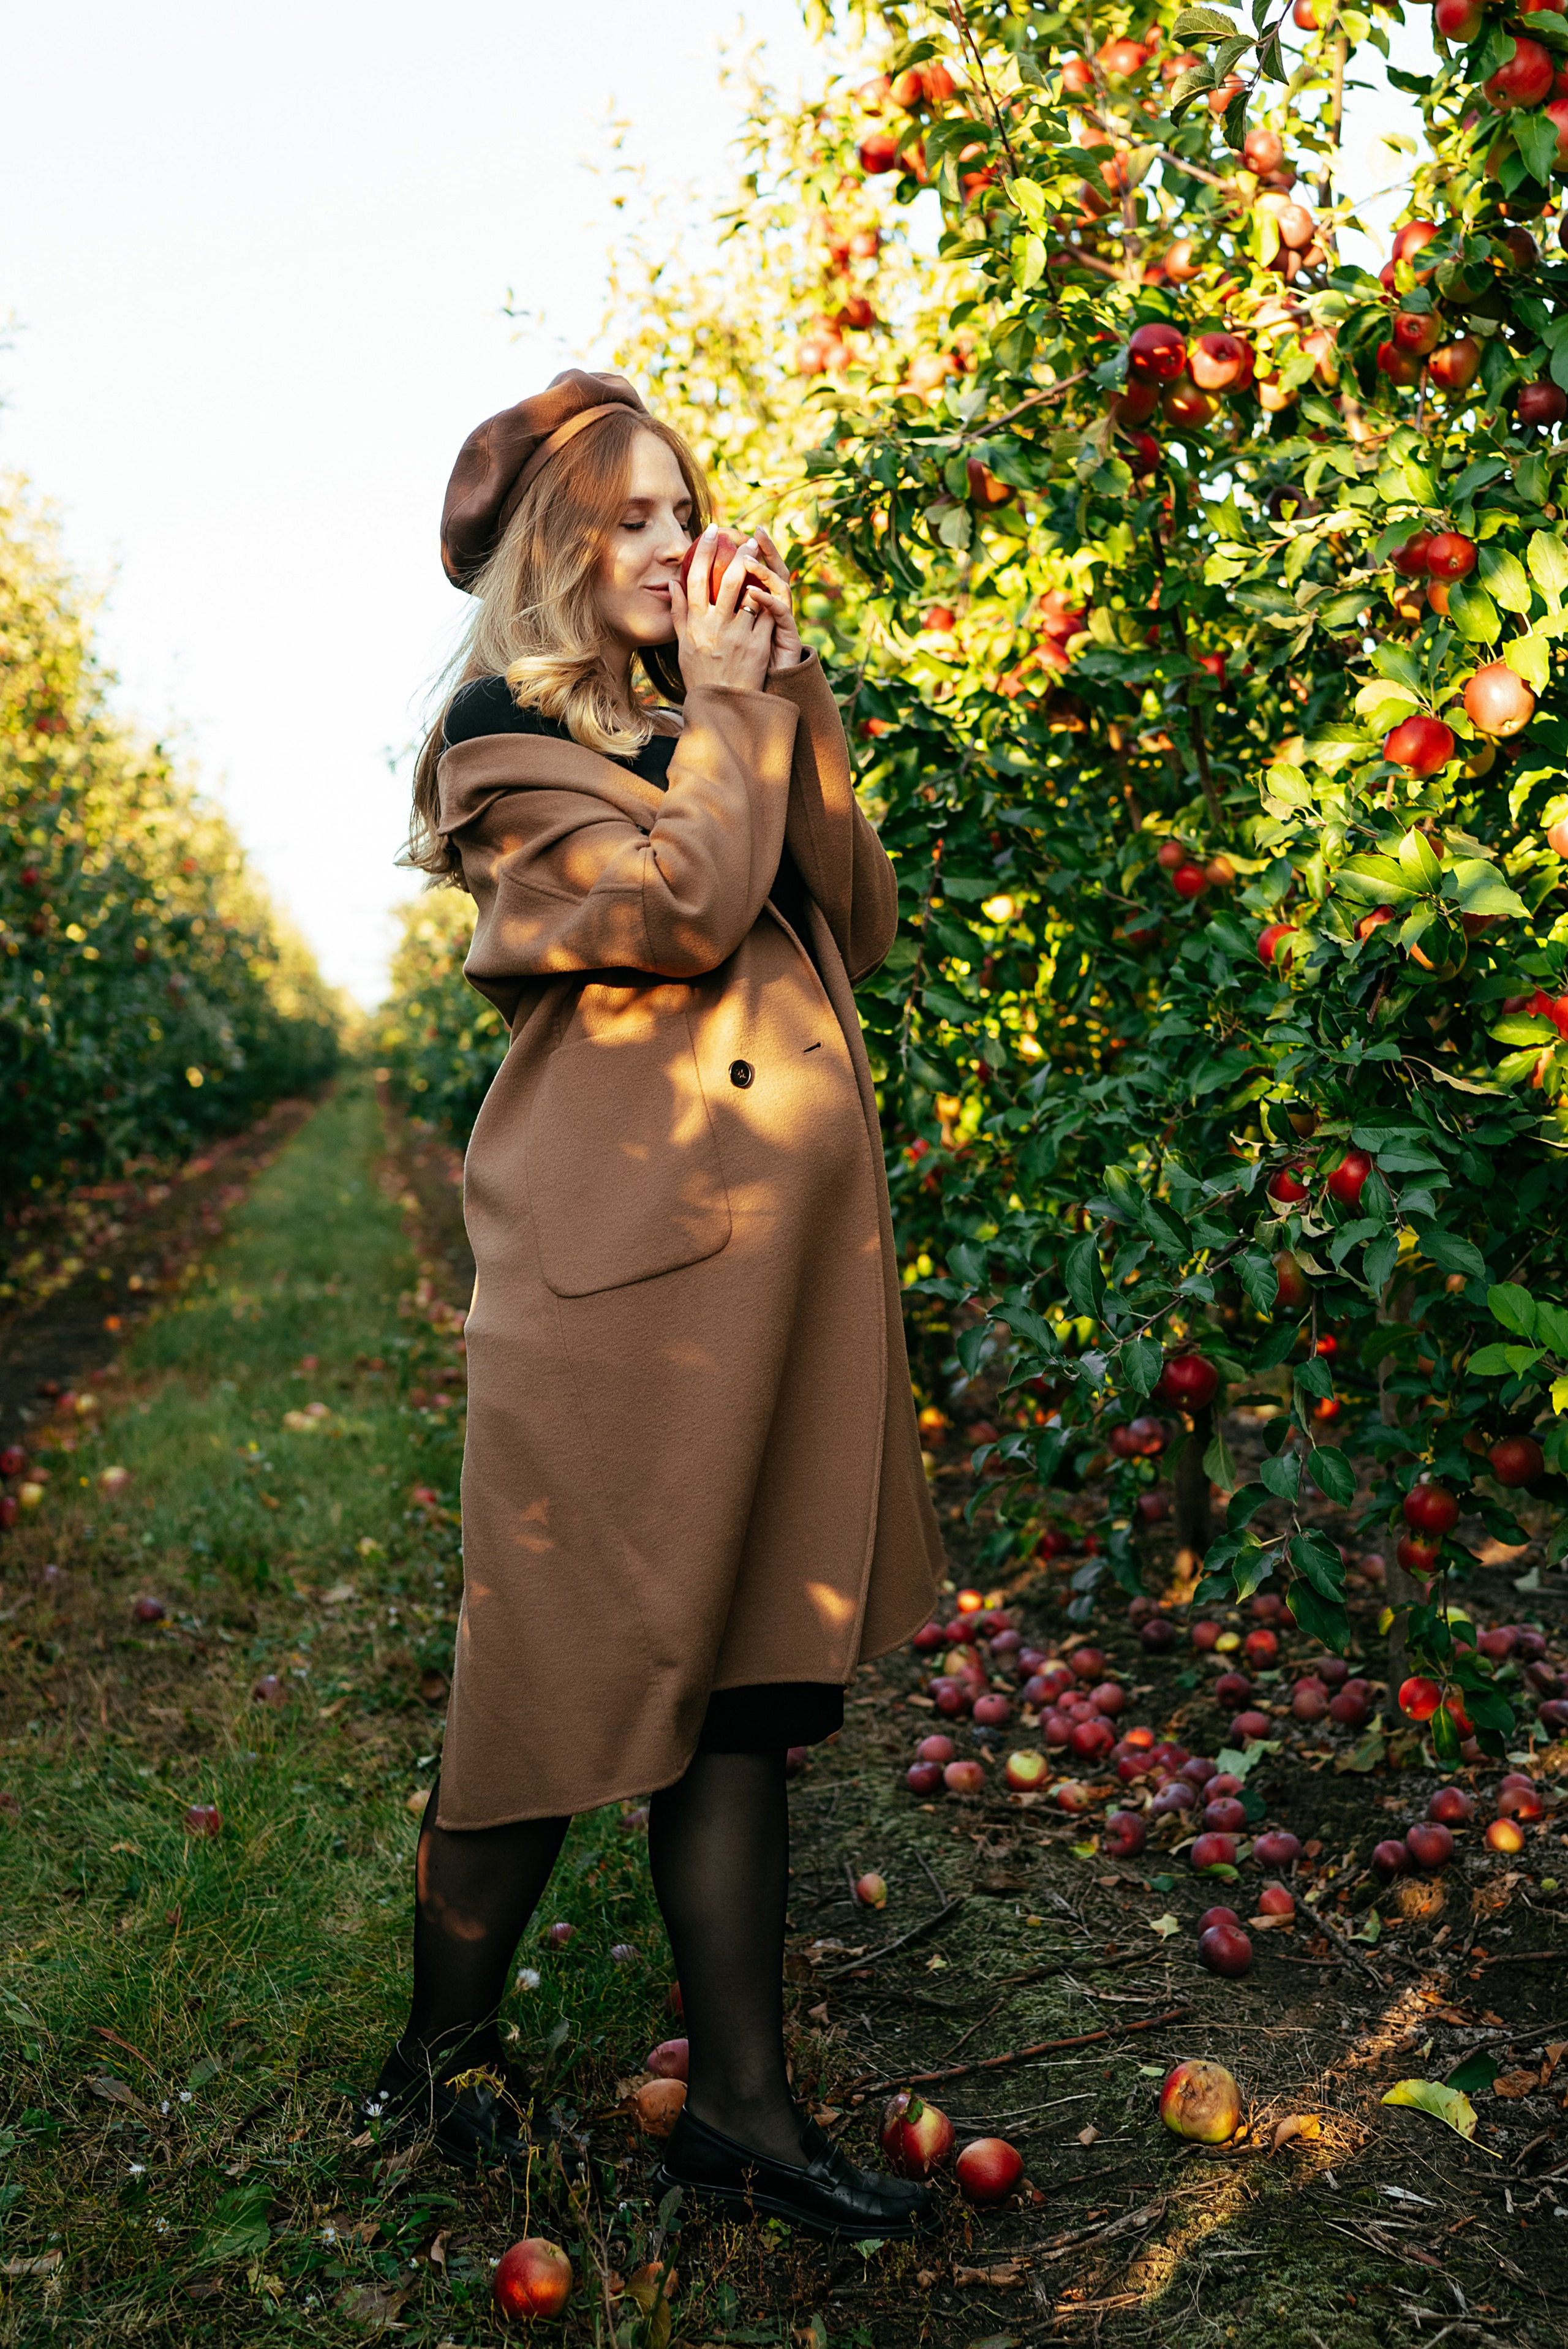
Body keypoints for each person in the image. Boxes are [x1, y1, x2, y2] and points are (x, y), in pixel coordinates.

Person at [367, 369, 946, 2238]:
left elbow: (839, 912)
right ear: (556, 542)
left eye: (686, 508)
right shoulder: (504, 742)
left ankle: (747, 2112)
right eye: (631, 516)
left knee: (743, 1702)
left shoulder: (712, 713)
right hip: (619, 1302)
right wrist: (727, 717)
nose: (676, 541)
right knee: (558, 1680)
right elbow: (693, 909)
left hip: (761, 1301)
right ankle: (442, 2056)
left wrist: (786, 688)